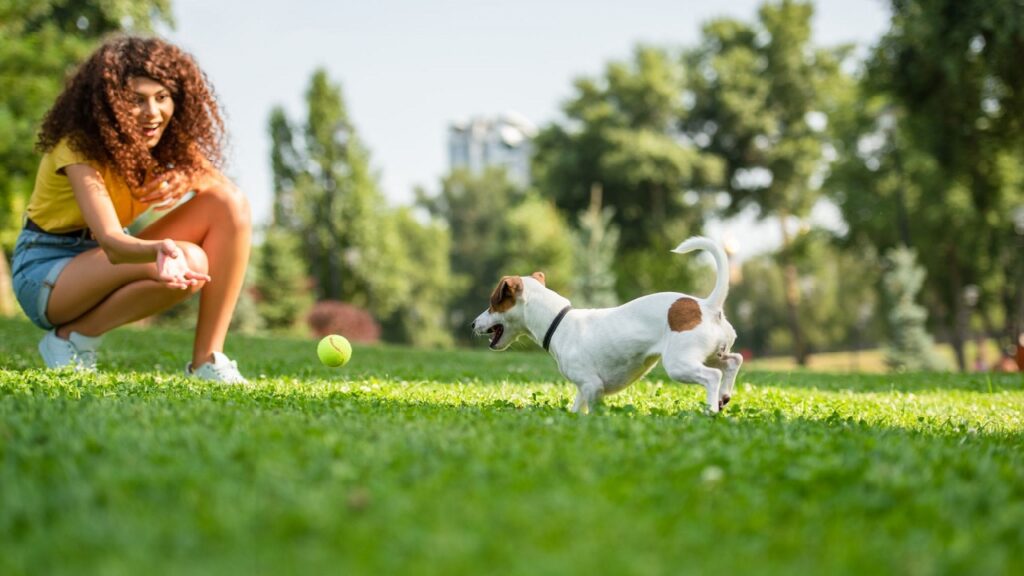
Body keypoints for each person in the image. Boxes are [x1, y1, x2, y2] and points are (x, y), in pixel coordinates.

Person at [11, 36, 251, 383]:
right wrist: (159, 250)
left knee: (229, 205)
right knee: (186, 260)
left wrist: (186, 177)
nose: (153, 113)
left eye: (162, 98)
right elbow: (111, 242)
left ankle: (208, 360)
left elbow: (231, 205)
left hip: (104, 261)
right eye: (137, 100)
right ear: (110, 103)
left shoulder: (169, 145)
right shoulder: (76, 146)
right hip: (47, 271)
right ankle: (69, 339)